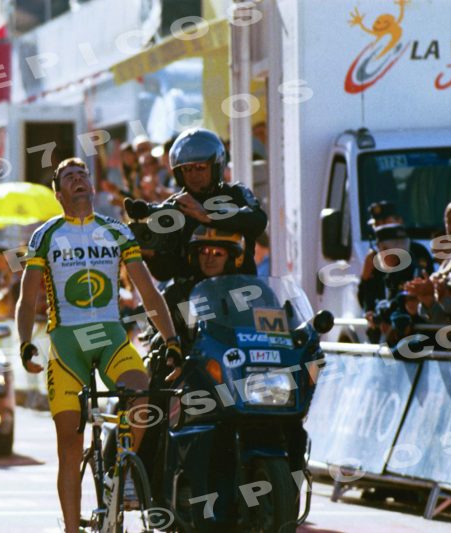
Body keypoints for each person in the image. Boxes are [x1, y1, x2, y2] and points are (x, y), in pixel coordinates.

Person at [15, 157, 182, 533]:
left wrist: (171, 339)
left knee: (141, 392)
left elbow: (149, 293)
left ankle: (121, 471)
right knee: (69, 444)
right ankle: (72, 529)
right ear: (59, 194)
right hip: (66, 343)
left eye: (83, 175)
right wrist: (26, 344)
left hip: (109, 338)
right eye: (69, 178)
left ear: (91, 186)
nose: (78, 180)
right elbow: (27, 300)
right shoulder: (46, 235)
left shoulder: (117, 231)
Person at [138, 128, 268, 281]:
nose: (193, 175)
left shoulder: (236, 193)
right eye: (187, 169)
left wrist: (208, 216)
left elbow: (258, 220)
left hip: (241, 291)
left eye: (200, 168)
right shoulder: (174, 206)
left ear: (215, 166)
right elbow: (166, 272)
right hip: (193, 297)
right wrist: (151, 255)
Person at [359, 223, 434, 342]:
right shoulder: (392, 272)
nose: (379, 255)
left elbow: (401, 300)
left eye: (381, 249)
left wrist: (381, 316)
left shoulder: (412, 270)